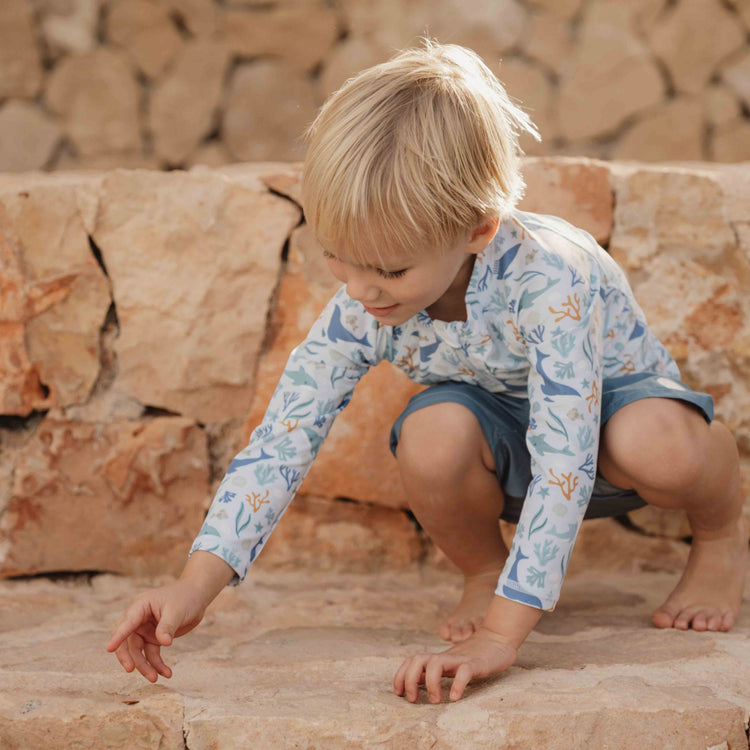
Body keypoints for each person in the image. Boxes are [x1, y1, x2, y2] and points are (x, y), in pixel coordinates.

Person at [107, 41, 747, 705]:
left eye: (389, 270)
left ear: (477, 229)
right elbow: (280, 444)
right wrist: (193, 585)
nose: (361, 291)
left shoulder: (549, 279)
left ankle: (722, 537)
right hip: (508, 444)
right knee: (431, 432)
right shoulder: (363, 302)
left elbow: (564, 461)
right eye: (340, 259)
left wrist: (502, 635)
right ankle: (483, 568)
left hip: (609, 429)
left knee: (655, 444)